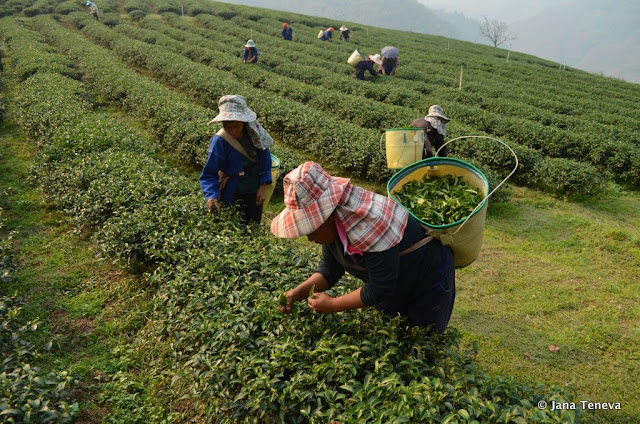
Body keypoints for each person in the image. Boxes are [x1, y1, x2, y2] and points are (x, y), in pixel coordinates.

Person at [271, 162, 456, 333]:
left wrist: (334, 305)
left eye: (311, 228)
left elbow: (379, 288)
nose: (309, 237)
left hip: (426, 278)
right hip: (396, 280)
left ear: (327, 215)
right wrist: (298, 293)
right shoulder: (335, 223)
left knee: (424, 337)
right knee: (395, 331)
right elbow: (330, 270)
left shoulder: (370, 224)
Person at [199, 95, 273, 224]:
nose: (232, 131)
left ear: (244, 123)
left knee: (253, 225)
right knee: (235, 225)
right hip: (232, 191)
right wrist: (211, 196)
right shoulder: (219, 141)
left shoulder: (256, 134)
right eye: (228, 126)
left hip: (254, 190)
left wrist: (262, 187)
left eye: (236, 126)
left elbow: (265, 159)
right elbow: (209, 173)